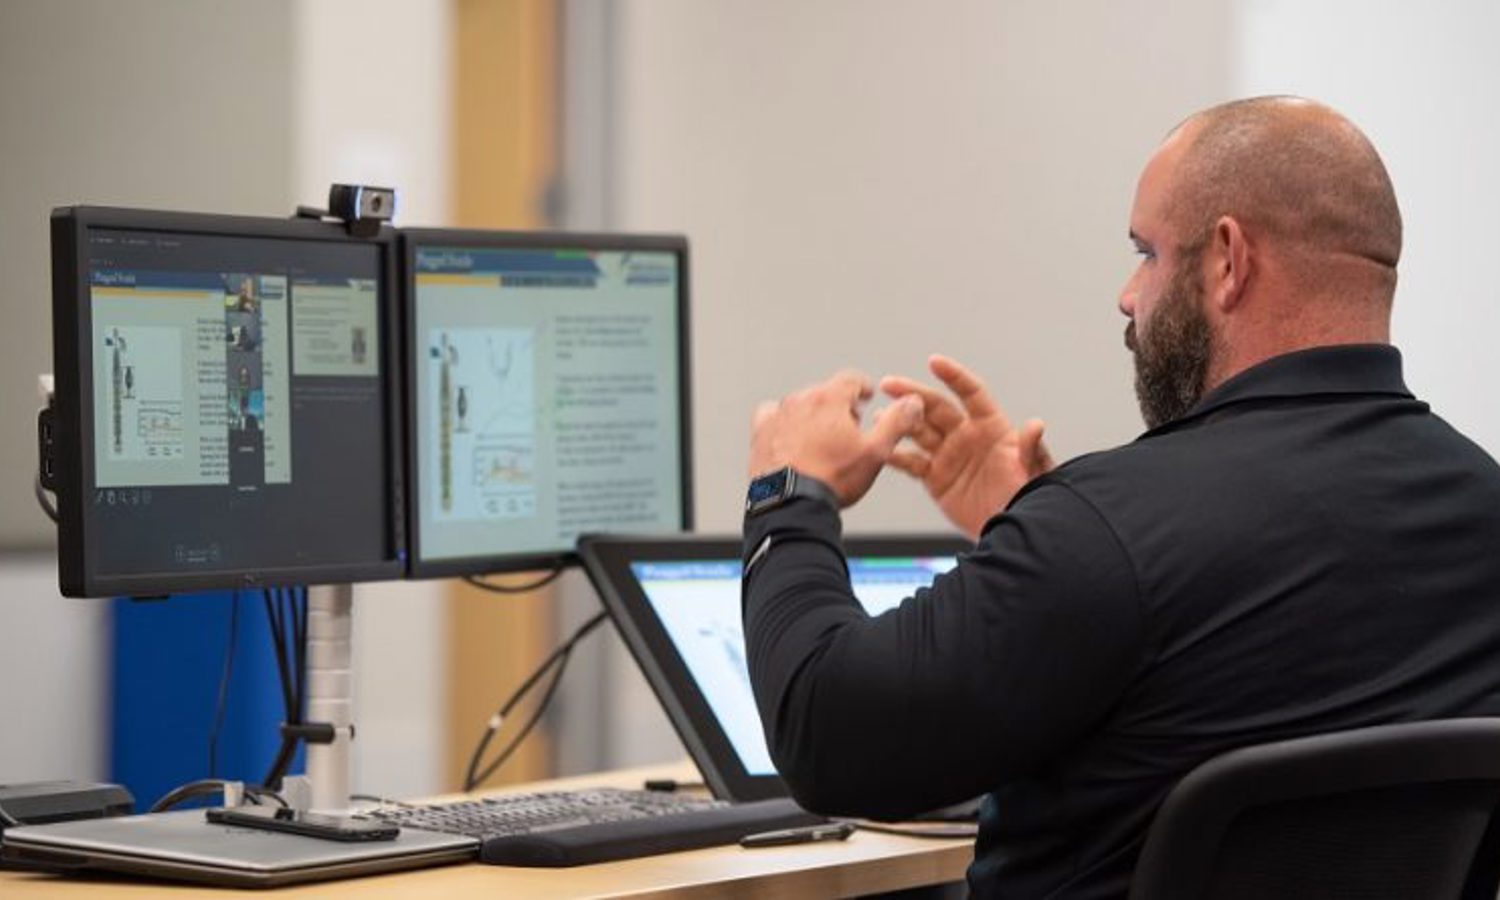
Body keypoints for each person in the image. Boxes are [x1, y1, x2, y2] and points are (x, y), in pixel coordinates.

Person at [741, 96, 1500, 898]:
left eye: (1146, 252)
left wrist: (789, 492)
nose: (1128, 296)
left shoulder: (1111, 534)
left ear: (1228, 260)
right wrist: (1028, 529)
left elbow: (828, 734)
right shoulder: (1482, 509)